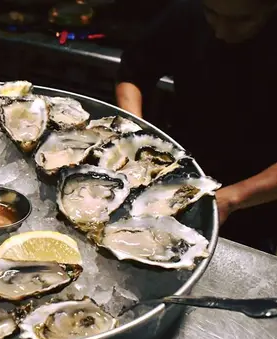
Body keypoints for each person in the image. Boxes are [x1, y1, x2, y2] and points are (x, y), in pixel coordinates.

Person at [115, 0, 277, 253]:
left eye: (242, 20)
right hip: (181, 168)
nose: (221, 31)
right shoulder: (187, 12)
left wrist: (232, 198)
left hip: (258, 196)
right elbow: (132, 74)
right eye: (211, 14)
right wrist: (136, 135)